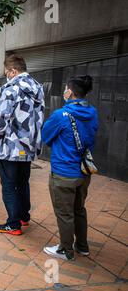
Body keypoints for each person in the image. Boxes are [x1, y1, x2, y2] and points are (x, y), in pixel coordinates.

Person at [41, 76, 98, 261]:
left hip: (63, 172)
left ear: (70, 92)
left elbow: (46, 136)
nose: (65, 91)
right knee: (79, 209)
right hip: (83, 171)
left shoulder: (60, 115)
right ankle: (82, 246)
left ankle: (65, 250)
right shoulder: (93, 112)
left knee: (64, 214)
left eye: (66, 89)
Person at [0, 54, 45, 236]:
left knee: (8, 184)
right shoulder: (38, 87)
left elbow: (1, 119)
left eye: (6, 72)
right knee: (23, 182)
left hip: (10, 146)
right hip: (29, 145)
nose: (6, 75)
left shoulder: (11, 89)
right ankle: (23, 216)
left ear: (13, 71)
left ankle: (13, 224)